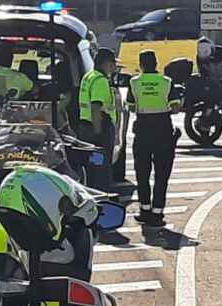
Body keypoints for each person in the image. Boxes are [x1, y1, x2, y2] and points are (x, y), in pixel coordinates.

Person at [126, 49, 181, 228]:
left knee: (142, 173)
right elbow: (175, 108)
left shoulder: (134, 82)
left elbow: (132, 107)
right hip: (163, 130)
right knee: (161, 174)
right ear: (156, 63)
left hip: (143, 131)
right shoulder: (167, 82)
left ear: (141, 65)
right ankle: (158, 213)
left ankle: (145, 210)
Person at [78, 48, 118, 187]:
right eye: (113, 63)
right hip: (98, 129)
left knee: (92, 166)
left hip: (85, 127)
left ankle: (92, 191)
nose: (115, 67)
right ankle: (101, 196)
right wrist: (98, 133)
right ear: (107, 63)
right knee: (100, 167)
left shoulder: (88, 76)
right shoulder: (100, 80)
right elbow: (96, 107)